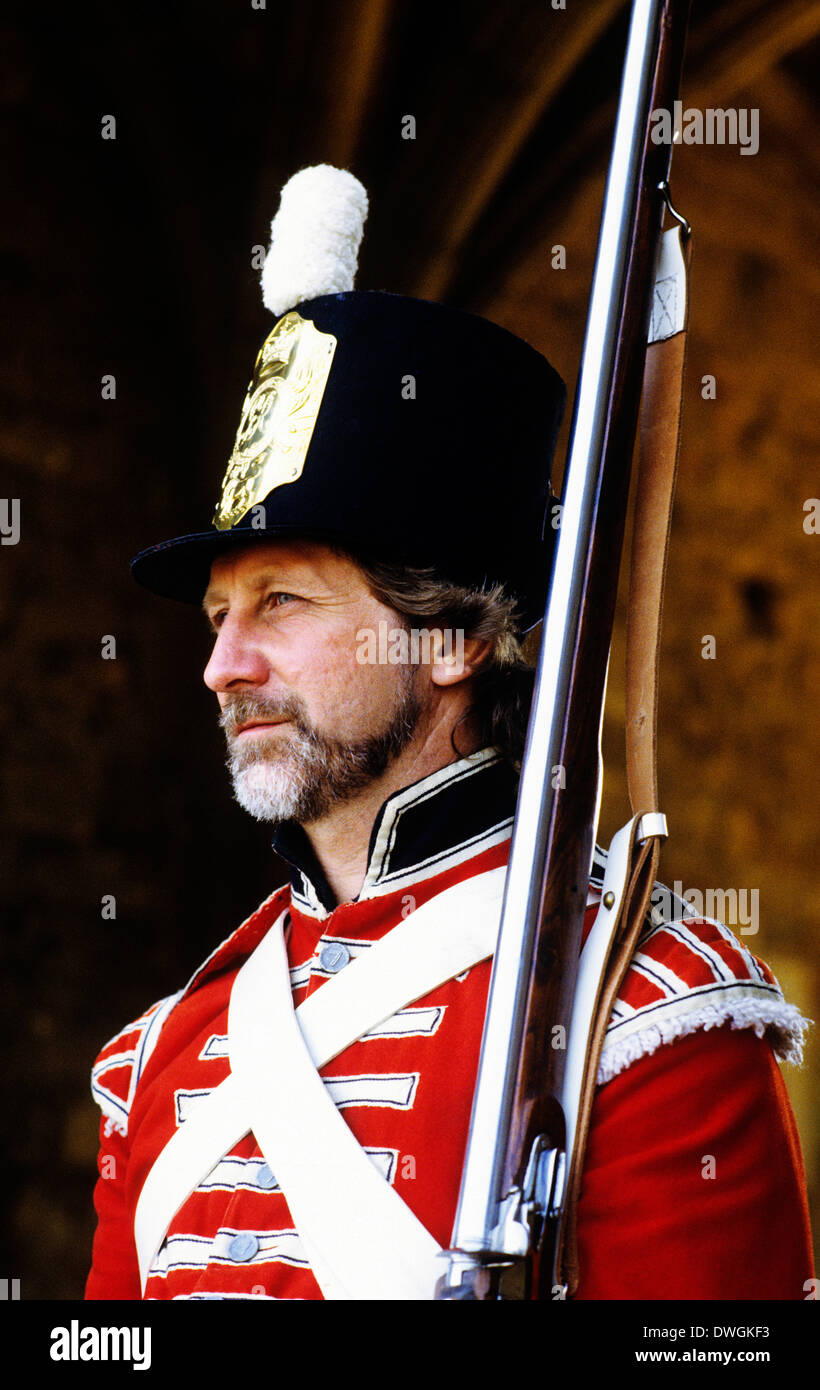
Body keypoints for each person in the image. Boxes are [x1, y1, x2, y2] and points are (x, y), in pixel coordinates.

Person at [85, 167, 813, 1301]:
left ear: (450, 640)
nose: (223, 664)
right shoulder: (163, 1055)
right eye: (221, 616)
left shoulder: (640, 1015)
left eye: (282, 602)